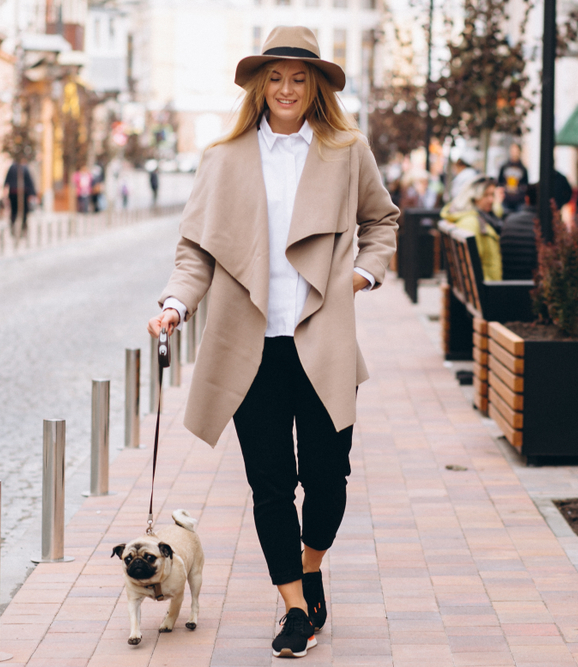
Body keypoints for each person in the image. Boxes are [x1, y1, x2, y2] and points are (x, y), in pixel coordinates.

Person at [146, 26, 398, 658]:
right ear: (260, 86)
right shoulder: (224, 157)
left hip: (321, 341)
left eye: (299, 78)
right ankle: (292, 606)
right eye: (276, 78)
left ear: (315, 87)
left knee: (328, 479)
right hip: (250, 347)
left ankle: (311, 566)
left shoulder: (345, 149)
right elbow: (195, 250)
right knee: (269, 483)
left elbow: (382, 220)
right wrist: (176, 305)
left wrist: (362, 274)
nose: (287, 89)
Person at [441, 176, 503, 281]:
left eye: (492, 195)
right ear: (473, 196)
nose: (491, 200)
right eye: (486, 195)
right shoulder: (471, 223)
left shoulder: (483, 216)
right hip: (488, 288)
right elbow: (473, 266)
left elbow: (497, 210)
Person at [500, 182, 539, 280]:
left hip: (508, 283)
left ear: (527, 199)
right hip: (535, 286)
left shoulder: (509, 221)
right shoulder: (548, 226)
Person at [4, 159, 36, 234]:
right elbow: (29, 181)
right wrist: (32, 193)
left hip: (13, 192)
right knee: (24, 211)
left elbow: (6, 180)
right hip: (22, 192)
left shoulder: (12, 167)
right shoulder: (25, 168)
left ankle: (14, 226)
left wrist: (5, 188)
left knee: (14, 211)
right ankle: (22, 227)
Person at [497, 143, 529, 213]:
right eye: (513, 151)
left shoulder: (523, 169)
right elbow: (499, 182)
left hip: (518, 200)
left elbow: (526, 184)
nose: (514, 153)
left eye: (516, 151)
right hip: (506, 199)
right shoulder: (504, 166)